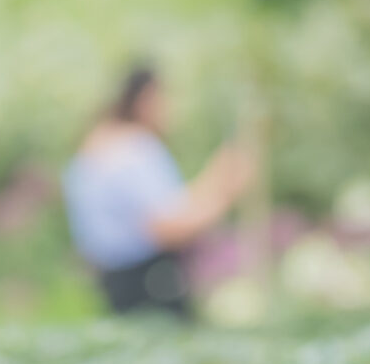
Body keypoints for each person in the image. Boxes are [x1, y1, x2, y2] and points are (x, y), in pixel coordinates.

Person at [62, 63, 257, 318]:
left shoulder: (95, 148)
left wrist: (215, 177)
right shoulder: (136, 149)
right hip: (148, 285)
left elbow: (169, 207)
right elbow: (170, 228)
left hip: (113, 283)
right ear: (146, 99)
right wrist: (226, 194)